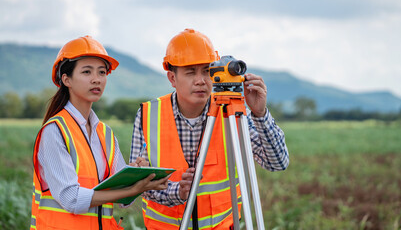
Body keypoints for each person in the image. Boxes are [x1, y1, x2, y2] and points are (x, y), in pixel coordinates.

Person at [130, 28, 289, 230]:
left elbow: (277, 162)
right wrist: (177, 192)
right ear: (172, 78)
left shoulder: (231, 111)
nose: (201, 80)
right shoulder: (148, 115)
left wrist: (259, 114)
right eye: (190, 72)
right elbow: (140, 183)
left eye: (206, 71)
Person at [30, 36, 170, 230]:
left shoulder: (105, 133)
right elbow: (72, 199)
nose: (96, 79)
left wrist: (136, 177)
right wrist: (132, 189)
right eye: (87, 72)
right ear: (66, 79)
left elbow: (123, 200)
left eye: (102, 72)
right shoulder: (55, 131)